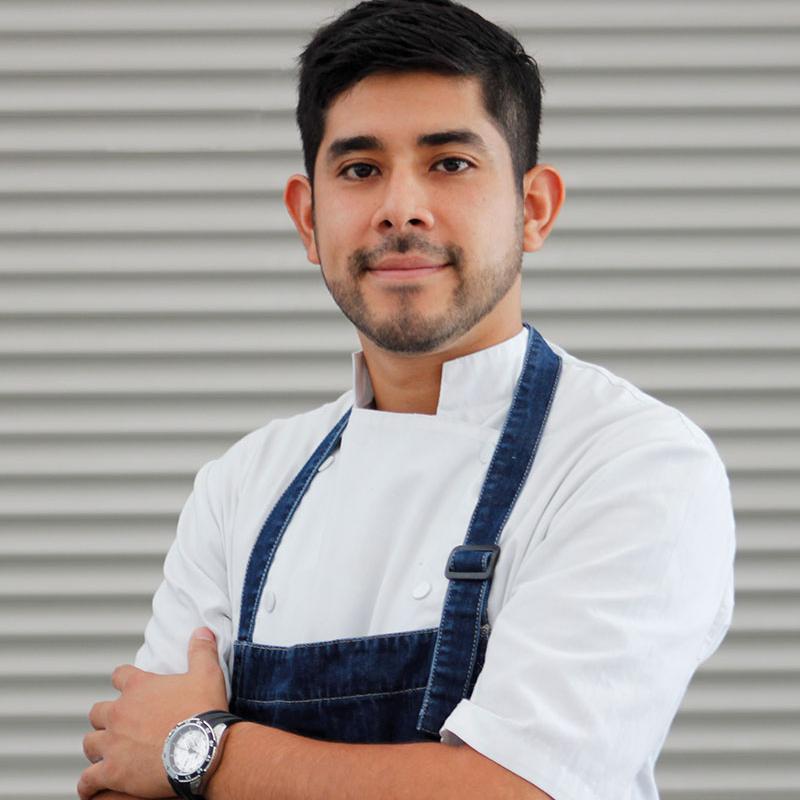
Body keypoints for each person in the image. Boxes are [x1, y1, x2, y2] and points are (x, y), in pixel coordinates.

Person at [78, 1, 736, 798]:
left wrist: (201, 753)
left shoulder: (631, 464)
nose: (401, 208)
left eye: (450, 163)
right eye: (360, 169)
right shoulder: (243, 485)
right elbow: (126, 772)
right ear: (308, 219)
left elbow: (519, 791)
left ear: (533, 209)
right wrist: (172, 752)